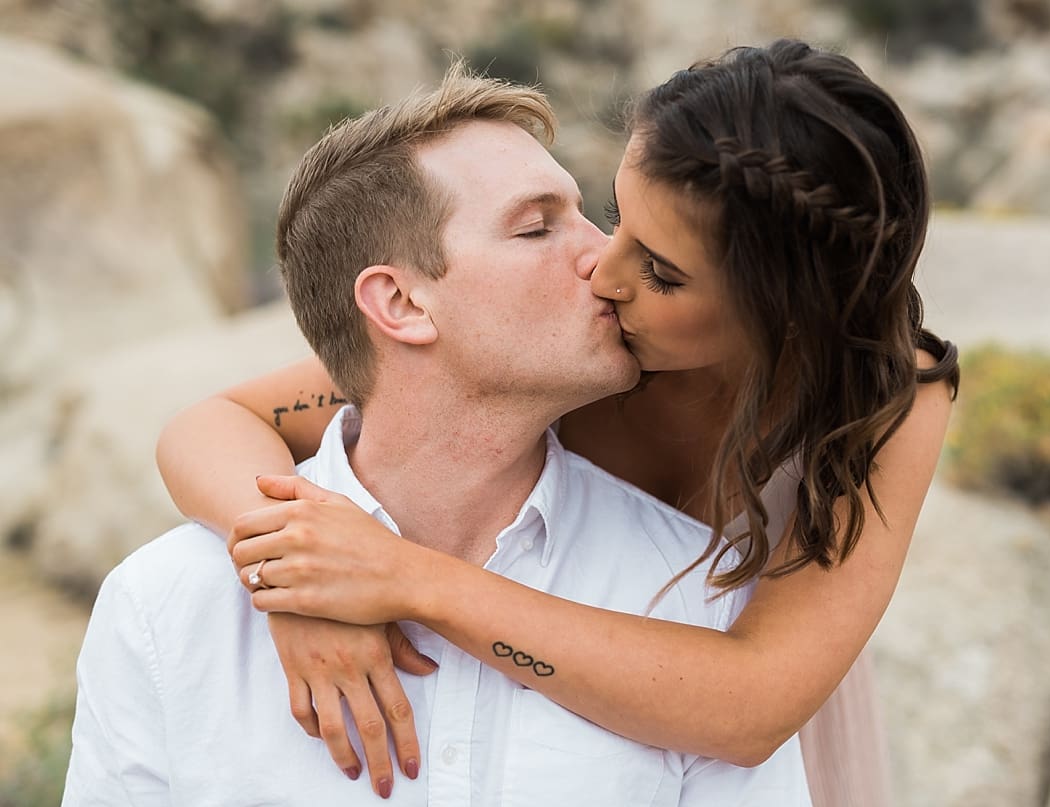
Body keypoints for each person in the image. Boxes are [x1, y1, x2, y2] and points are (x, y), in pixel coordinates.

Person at [158, 39, 959, 804]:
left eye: (662, 271)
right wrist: (296, 577)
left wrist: (406, 578)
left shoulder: (884, 400)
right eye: (621, 217)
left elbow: (749, 707)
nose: (604, 272)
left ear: (784, 315)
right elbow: (212, 422)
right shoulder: (582, 346)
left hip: (740, 759)